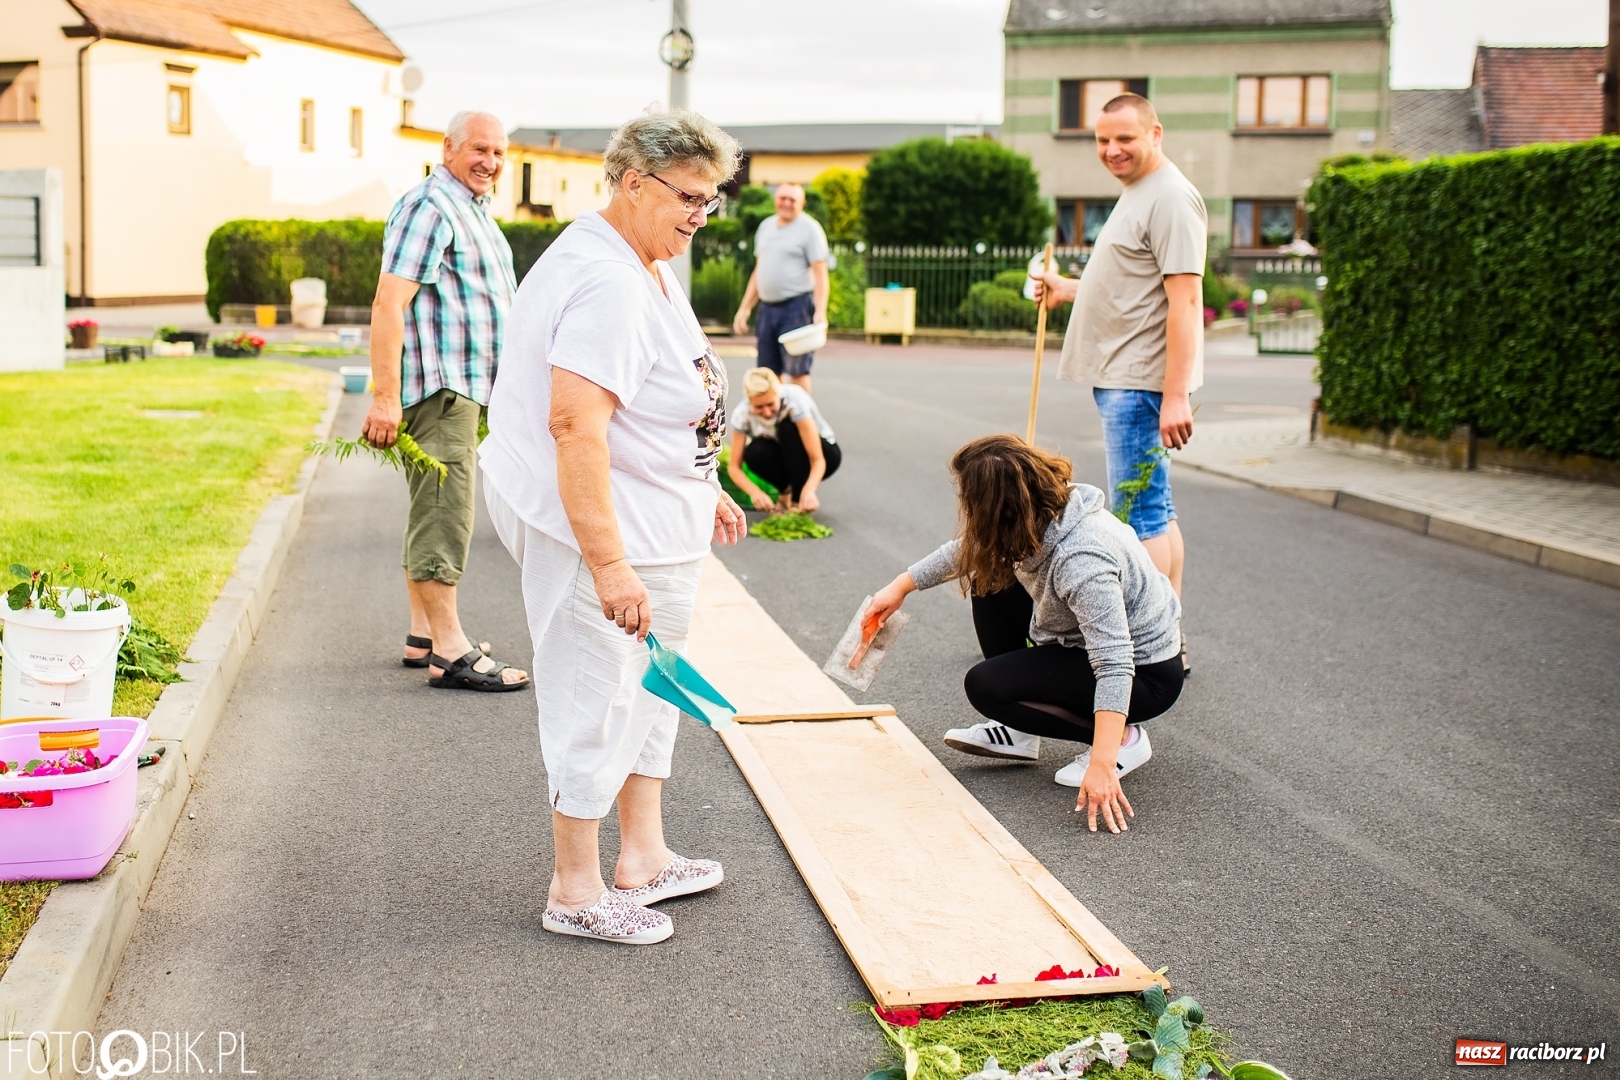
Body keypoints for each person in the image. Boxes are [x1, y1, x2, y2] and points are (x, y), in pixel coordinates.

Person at [479, 109, 747, 944]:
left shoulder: (639, 256)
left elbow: (658, 404)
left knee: (651, 691)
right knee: (596, 697)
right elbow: (575, 427)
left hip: (659, 519)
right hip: (606, 534)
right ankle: (576, 889)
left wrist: (707, 484)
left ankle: (643, 858)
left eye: (712, 200)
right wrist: (609, 568)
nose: (701, 215)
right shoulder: (606, 281)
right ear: (634, 182)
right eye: (690, 198)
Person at [865, 435, 1183, 835]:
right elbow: (970, 548)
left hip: (1144, 673)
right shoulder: (1043, 510)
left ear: (999, 507)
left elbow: (1116, 663)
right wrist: (900, 587)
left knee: (986, 686)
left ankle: (1123, 739)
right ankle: (1020, 732)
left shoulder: (1082, 559)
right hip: (1084, 648)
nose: (965, 506)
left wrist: (1101, 763)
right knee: (987, 575)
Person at [1031, 92, 1204, 674]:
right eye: (1102, 140)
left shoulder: (1171, 198)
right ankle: (1170, 638)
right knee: (1157, 509)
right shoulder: (1141, 193)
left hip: (1140, 383)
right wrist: (1067, 288)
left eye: (1124, 139)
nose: (1111, 150)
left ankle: (1150, 651)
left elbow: (1185, 302)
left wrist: (1175, 394)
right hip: (1130, 378)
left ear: (1155, 132)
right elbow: (1131, 288)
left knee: (1140, 517)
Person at [363, 110, 530, 692]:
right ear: (449, 148)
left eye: (499, 153)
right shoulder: (431, 206)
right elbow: (389, 303)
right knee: (444, 511)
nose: (490, 162)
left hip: (465, 389)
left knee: (430, 506)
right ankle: (451, 651)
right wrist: (385, 396)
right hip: (441, 389)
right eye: (479, 149)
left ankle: (423, 634)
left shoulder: (470, 208)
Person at [730, 183, 829, 395]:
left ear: (802, 203)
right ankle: (776, 421)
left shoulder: (810, 229)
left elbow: (820, 273)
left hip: (797, 307)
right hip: (767, 309)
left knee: (797, 371)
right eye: (782, 198)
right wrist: (745, 308)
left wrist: (820, 312)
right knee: (768, 371)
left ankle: (800, 421)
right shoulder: (766, 227)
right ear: (776, 199)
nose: (786, 203)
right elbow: (759, 271)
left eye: (792, 200)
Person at [726, 367, 840, 513]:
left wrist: (809, 490)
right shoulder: (741, 414)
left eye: (770, 404)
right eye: (759, 407)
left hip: (825, 455)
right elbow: (734, 467)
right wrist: (755, 493)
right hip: (786, 457)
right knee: (755, 451)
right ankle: (785, 492)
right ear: (749, 401)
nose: (766, 412)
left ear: (777, 393)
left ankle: (797, 500)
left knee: (787, 429)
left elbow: (817, 459)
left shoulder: (794, 401)